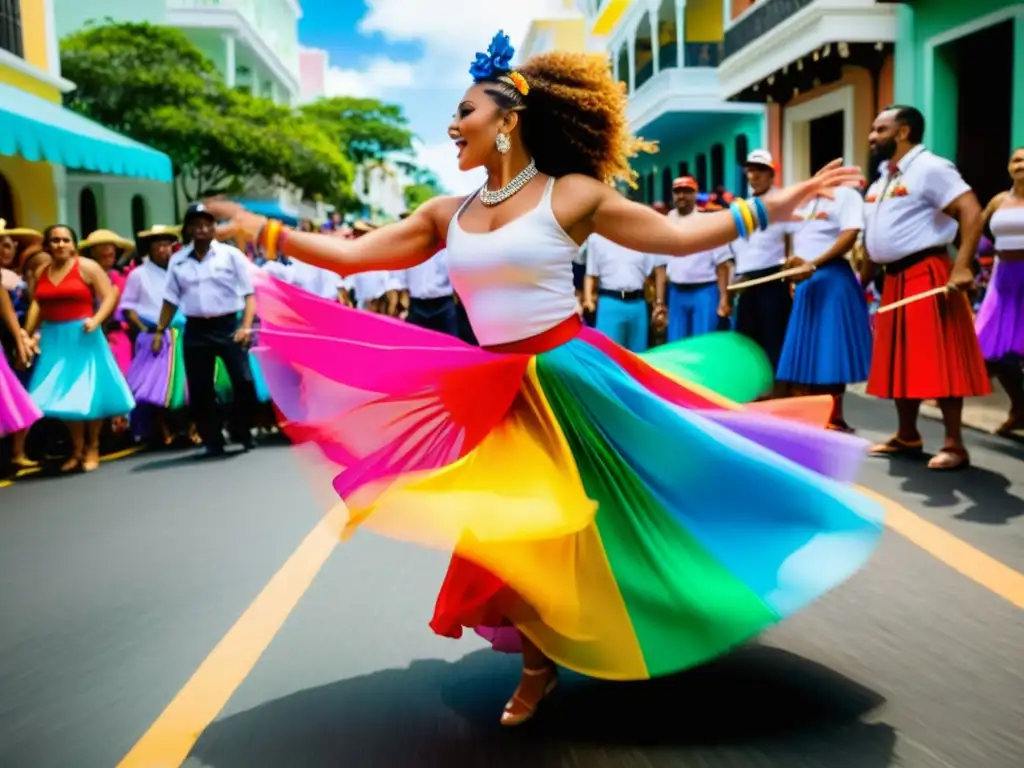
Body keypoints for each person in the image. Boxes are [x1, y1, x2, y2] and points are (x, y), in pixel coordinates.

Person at [206, 32, 880, 727]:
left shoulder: (573, 195)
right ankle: (538, 668)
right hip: (495, 389)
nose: (451, 126)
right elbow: (351, 258)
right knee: (512, 528)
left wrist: (781, 202)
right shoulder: (448, 213)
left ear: (508, 121)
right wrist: (267, 233)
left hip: (574, 379)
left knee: (633, 506)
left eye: (465, 111)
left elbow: (675, 239)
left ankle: (681, 604)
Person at [862, 106, 990, 470]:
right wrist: (864, 280)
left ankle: (955, 443)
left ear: (903, 132)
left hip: (928, 273)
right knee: (899, 359)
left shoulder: (931, 168)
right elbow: (877, 235)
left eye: (880, 129)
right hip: (893, 277)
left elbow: (971, 211)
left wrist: (962, 266)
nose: (872, 136)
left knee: (940, 358)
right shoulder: (883, 178)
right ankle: (907, 435)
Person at [23, 225, 135, 472]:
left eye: (65, 240)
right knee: (63, 396)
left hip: (83, 336)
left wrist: (96, 320)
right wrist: (27, 333)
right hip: (54, 338)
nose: (60, 245)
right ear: (48, 246)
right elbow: (37, 305)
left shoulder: (87, 267)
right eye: (55, 241)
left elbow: (110, 295)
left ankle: (93, 446)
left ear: (73, 245)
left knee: (88, 392)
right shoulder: (42, 271)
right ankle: (76, 449)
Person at [153, 203, 257, 456]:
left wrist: (245, 327)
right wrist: (159, 330)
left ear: (213, 228)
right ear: (188, 229)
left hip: (228, 325)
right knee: (200, 388)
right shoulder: (178, 261)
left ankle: (241, 429)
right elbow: (170, 299)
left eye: (207, 223)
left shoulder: (230, 256)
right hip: (197, 328)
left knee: (243, 380)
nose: (201, 228)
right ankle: (213, 438)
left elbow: (249, 294)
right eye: (196, 224)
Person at [776, 184, 873, 431]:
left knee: (830, 350)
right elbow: (795, 240)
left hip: (832, 277)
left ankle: (833, 415)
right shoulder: (805, 202)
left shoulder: (846, 195)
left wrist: (812, 263)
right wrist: (792, 268)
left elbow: (850, 234)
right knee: (806, 351)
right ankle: (810, 414)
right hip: (805, 281)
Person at [730, 150, 797, 394]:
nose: (753, 175)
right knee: (747, 342)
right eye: (750, 170)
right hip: (745, 283)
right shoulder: (742, 206)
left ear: (771, 173)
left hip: (772, 280)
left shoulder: (782, 203)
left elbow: (792, 242)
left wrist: (791, 277)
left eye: (759, 170)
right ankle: (753, 394)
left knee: (774, 340)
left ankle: (777, 396)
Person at [121, 225, 192, 446]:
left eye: (166, 245)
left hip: (183, 332)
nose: (163, 249)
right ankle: (164, 431)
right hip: (154, 335)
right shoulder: (138, 275)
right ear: (149, 249)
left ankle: (191, 429)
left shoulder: (181, 270)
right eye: (157, 245)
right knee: (156, 389)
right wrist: (143, 330)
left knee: (189, 385)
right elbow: (128, 308)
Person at [975, 147, 1024, 435]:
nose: (1021, 164)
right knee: (992, 351)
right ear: (1008, 166)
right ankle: (1020, 408)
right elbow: (974, 229)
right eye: (1017, 159)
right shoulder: (998, 201)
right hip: (1002, 280)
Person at [661, 176, 734, 341]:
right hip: (676, 292)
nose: (681, 196)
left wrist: (724, 298)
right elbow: (660, 265)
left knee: (704, 342)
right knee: (677, 345)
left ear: (695, 194)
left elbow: (723, 265)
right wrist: (660, 301)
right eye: (677, 192)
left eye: (686, 192)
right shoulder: (665, 223)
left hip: (704, 291)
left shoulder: (707, 222)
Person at [582, 232, 662, 352]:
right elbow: (590, 274)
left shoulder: (643, 237)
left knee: (638, 356)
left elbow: (650, 275)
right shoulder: (597, 238)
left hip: (638, 303)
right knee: (609, 355)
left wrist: (657, 303)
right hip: (610, 301)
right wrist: (588, 299)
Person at [393, 249, 460, 336]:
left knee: (451, 345)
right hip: (416, 305)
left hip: (444, 303)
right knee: (417, 345)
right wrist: (402, 305)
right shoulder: (409, 246)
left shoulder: (447, 245)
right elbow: (398, 277)